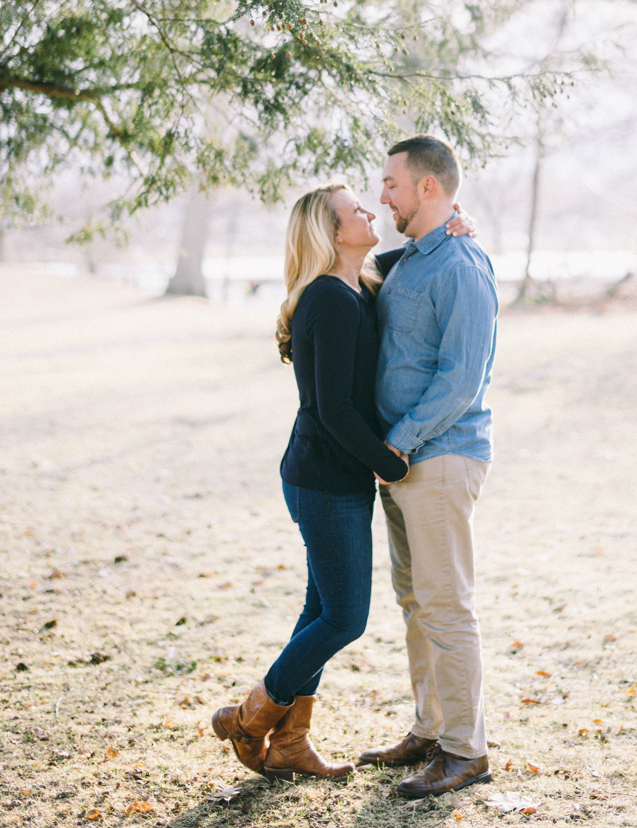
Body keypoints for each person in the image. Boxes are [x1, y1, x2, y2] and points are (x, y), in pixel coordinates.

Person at [212, 183, 475, 781]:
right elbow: (332, 407)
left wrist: (454, 221)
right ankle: (249, 719)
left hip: (335, 474)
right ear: (332, 233)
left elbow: (405, 252)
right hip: (324, 477)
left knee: (319, 608)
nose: (370, 211)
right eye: (356, 209)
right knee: (345, 617)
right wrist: (390, 462)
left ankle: (292, 744)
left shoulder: (358, 280)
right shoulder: (329, 299)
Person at [358, 136, 498, 800]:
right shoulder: (413, 259)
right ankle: (431, 729)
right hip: (403, 461)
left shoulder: (463, 266)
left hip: (437, 456)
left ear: (429, 188)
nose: (382, 196)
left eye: (391, 184)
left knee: (446, 606)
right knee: (416, 602)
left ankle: (466, 751)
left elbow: (461, 380)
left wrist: (400, 444)